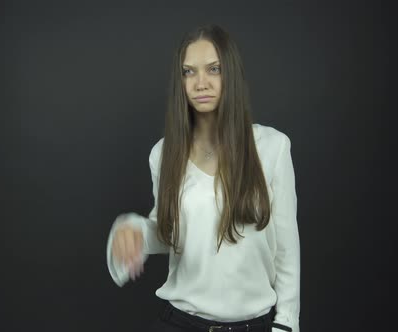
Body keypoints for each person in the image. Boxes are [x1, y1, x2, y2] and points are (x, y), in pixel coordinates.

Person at [106, 23, 300, 332]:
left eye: (213, 69)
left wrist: (286, 324)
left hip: (254, 325)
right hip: (179, 322)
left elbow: (287, 249)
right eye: (189, 72)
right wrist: (133, 232)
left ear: (231, 74)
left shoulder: (273, 148)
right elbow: (169, 232)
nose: (200, 83)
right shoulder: (164, 153)